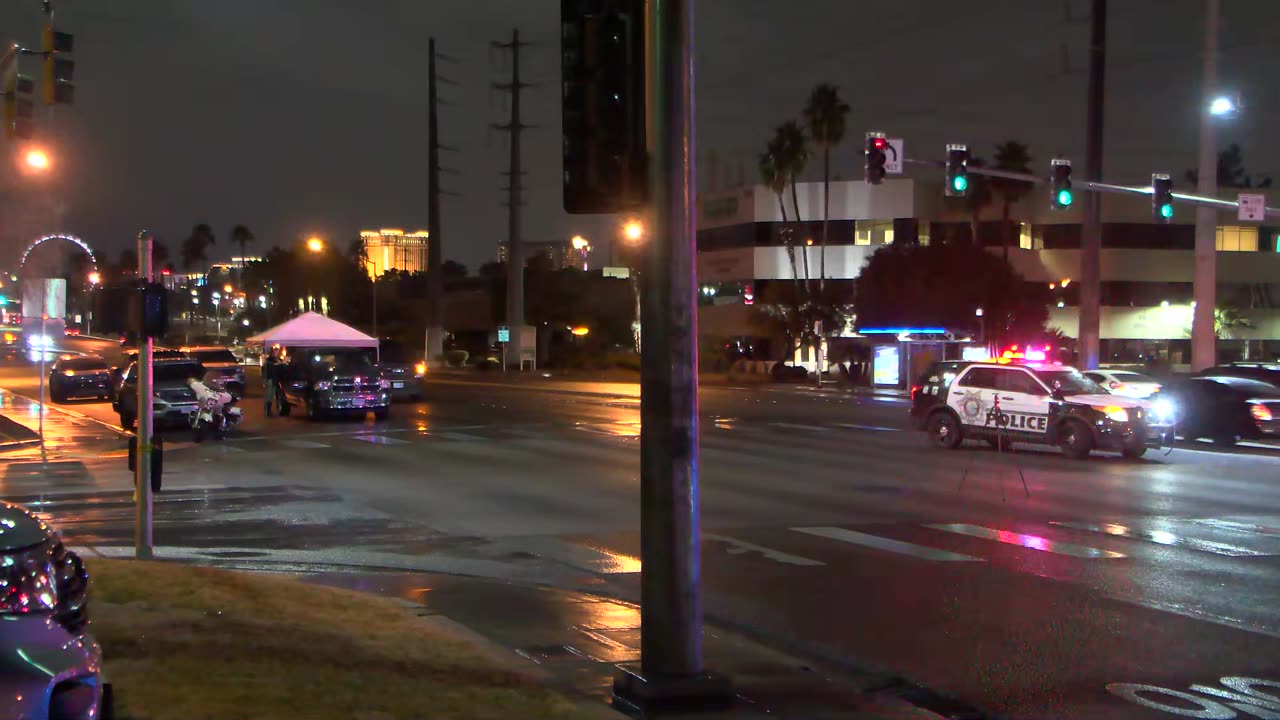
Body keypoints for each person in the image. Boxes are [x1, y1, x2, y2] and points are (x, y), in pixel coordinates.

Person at [263, 347, 281, 417]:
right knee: (269, 395)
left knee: (272, 395)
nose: (277, 353)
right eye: (276, 352)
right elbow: (268, 369)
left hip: (274, 380)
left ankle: (269, 411)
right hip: (270, 380)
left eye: (277, 352)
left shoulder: (276, 359)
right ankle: (268, 411)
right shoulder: (269, 360)